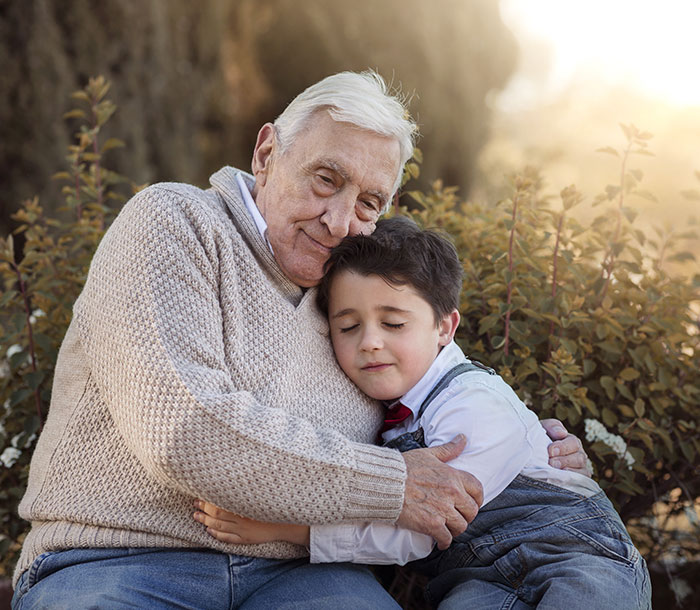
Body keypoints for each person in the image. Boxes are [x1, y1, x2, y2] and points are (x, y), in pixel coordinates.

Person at [12, 71, 588, 609]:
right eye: (326, 180)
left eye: (368, 203)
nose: (340, 222)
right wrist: (393, 484)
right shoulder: (175, 222)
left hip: (308, 575)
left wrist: (533, 449)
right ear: (266, 154)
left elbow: (437, 386)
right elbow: (182, 430)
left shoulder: (353, 295)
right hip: (119, 557)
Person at [196, 217, 651, 609]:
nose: (370, 341)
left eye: (393, 323)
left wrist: (290, 531)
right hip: (478, 581)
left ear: (444, 328)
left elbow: (421, 528)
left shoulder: (473, 403)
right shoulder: (384, 412)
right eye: (348, 326)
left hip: (575, 557)